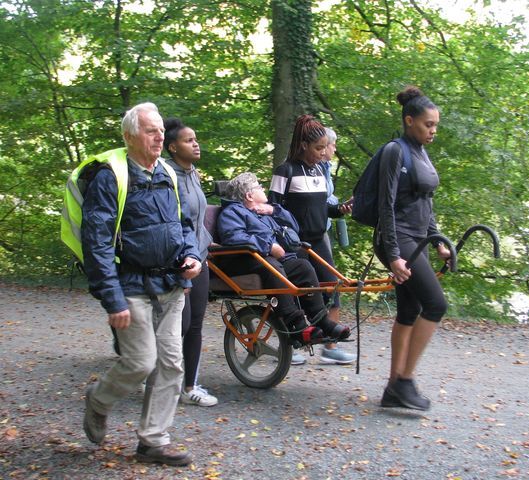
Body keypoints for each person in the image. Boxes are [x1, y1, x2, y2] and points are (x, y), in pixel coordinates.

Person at [81, 102, 201, 466]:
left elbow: (181, 224)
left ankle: (153, 440)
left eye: (161, 130)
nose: (160, 136)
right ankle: (98, 401)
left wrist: (192, 254)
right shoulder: (111, 176)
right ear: (131, 135)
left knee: (171, 364)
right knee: (140, 362)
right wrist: (111, 298)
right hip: (130, 285)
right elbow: (97, 242)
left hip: (171, 282)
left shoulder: (166, 170)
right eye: (151, 131)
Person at [374, 86, 451, 411]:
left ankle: (393, 388)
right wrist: (393, 256)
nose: (432, 130)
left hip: (417, 239)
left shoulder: (421, 151)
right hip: (398, 239)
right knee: (435, 305)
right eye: (427, 125)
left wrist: (438, 241)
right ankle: (405, 380)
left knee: (409, 311)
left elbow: (425, 204)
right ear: (409, 121)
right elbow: (386, 206)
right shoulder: (396, 150)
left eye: (435, 125)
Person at [215, 172, 350, 346]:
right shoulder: (232, 212)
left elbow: (294, 227)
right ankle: (297, 327)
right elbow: (233, 237)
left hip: (272, 260)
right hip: (245, 261)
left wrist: (274, 210)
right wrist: (268, 246)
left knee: (303, 267)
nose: (263, 188)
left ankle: (321, 321)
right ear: (249, 195)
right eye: (258, 186)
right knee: (271, 267)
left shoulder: (263, 213)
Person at [268, 115, 356, 366]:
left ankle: (328, 343)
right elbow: (272, 208)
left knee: (331, 286)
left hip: (319, 240)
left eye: (324, 148)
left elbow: (321, 208)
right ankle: (292, 343)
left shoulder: (318, 170)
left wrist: (340, 209)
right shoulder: (285, 171)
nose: (322, 153)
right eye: (318, 148)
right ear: (304, 145)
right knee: (297, 291)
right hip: (295, 243)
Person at [163, 118, 218, 408]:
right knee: (178, 326)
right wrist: (182, 265)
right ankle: (161, 381)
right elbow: (172, 224)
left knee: (195, 323)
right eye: (188, 140)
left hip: (201, 257)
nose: (196, 144)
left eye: (195, 139)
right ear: (172, 147)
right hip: (178, 262)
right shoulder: (165, 177)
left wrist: (206, 244)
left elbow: (196, 219)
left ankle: (189, 386)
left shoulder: (193, 173)